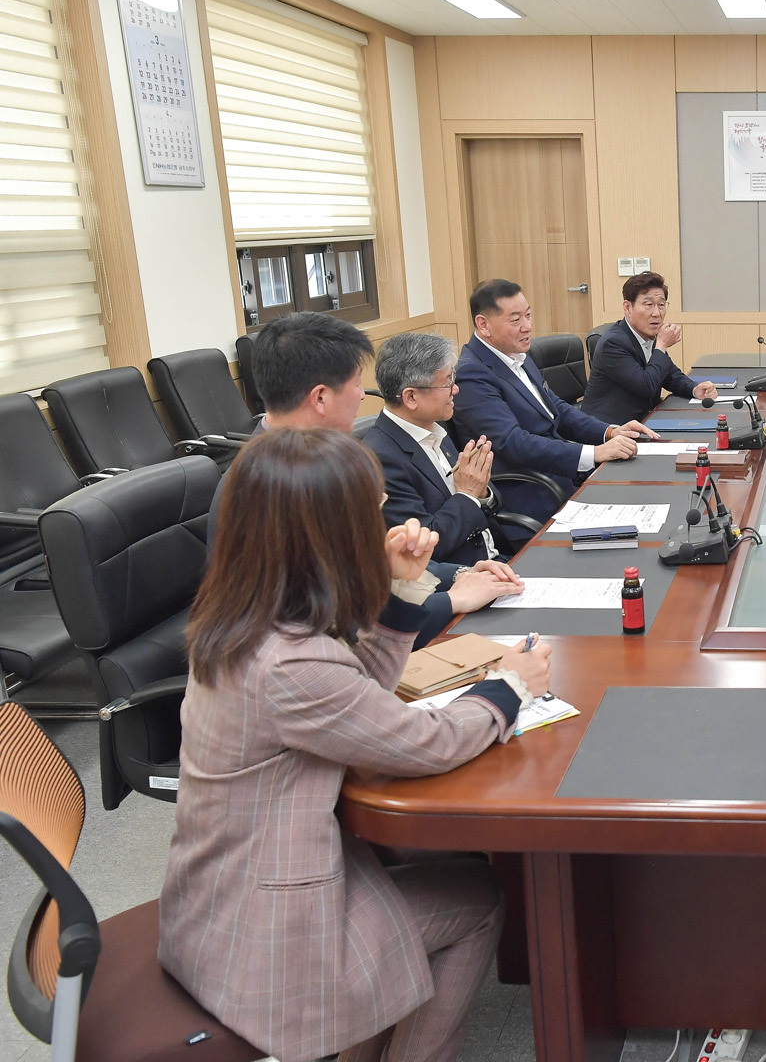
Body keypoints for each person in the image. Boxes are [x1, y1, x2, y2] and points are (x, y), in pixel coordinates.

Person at [160, 428, 552, 1062]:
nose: (383, 529)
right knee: (478, 900)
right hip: (264, 928)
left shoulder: (244, 615)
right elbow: (423, 743)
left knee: (429, 862)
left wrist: (401, 592)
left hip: (218, 889)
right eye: (372, 514)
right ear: (329, 535)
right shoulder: (289, 662)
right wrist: (510, 689)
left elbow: (354, 695)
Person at [214, 312, 520, 646]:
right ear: (320, 397)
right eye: (357, 383)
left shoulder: (314, 462)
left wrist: (462, 574)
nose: (362, 395)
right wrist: (451, 600)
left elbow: (378, 564)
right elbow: (336, 614)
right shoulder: (269, 486)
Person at [454, 278, 658, 536]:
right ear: (483, 324)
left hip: (558, 476)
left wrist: (608, 432)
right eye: (515, 320)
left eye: (528, 315)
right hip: (530, 494)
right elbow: (513, 443)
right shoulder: (472, 374)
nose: (528, 326)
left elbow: (556, 408)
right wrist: (593, 453)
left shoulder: (516, 355)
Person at [365, 331, 510, 568]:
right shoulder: (380, 459)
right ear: (411, 397)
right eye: (446, 382)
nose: (456, 389)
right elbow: (426, 548)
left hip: (499, 557)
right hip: (463, 576)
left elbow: (490, 503)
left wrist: (482, 492)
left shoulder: (433, 429)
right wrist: (468, 494)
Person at [580, 271, 718, 425]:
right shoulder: (612, 343)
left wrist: (694, 389)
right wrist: (662, 345)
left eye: (661, 305)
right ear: (628, 307)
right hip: (611, 429)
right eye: (649, 305)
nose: (656, 313)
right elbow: (646, 386)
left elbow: (669, 375)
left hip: (644, 420)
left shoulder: (648, 335)